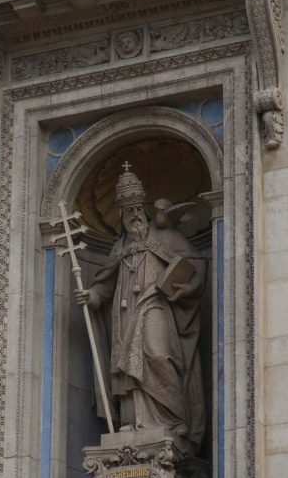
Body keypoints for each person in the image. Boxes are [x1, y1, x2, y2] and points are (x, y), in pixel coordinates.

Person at [75, 165, 206, 450]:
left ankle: (172, 418)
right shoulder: (118, 247)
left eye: (137, 208)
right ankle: (134, 422)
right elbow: (105, 283)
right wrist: (93, 295)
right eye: (128, 210)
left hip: (157, 307)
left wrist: (186, 288)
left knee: (157, 354)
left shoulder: (167, 238)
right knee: (126, 367)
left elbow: (196, 267)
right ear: (121, 216)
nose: (134, 215)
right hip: (124, 313)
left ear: (143, 208)